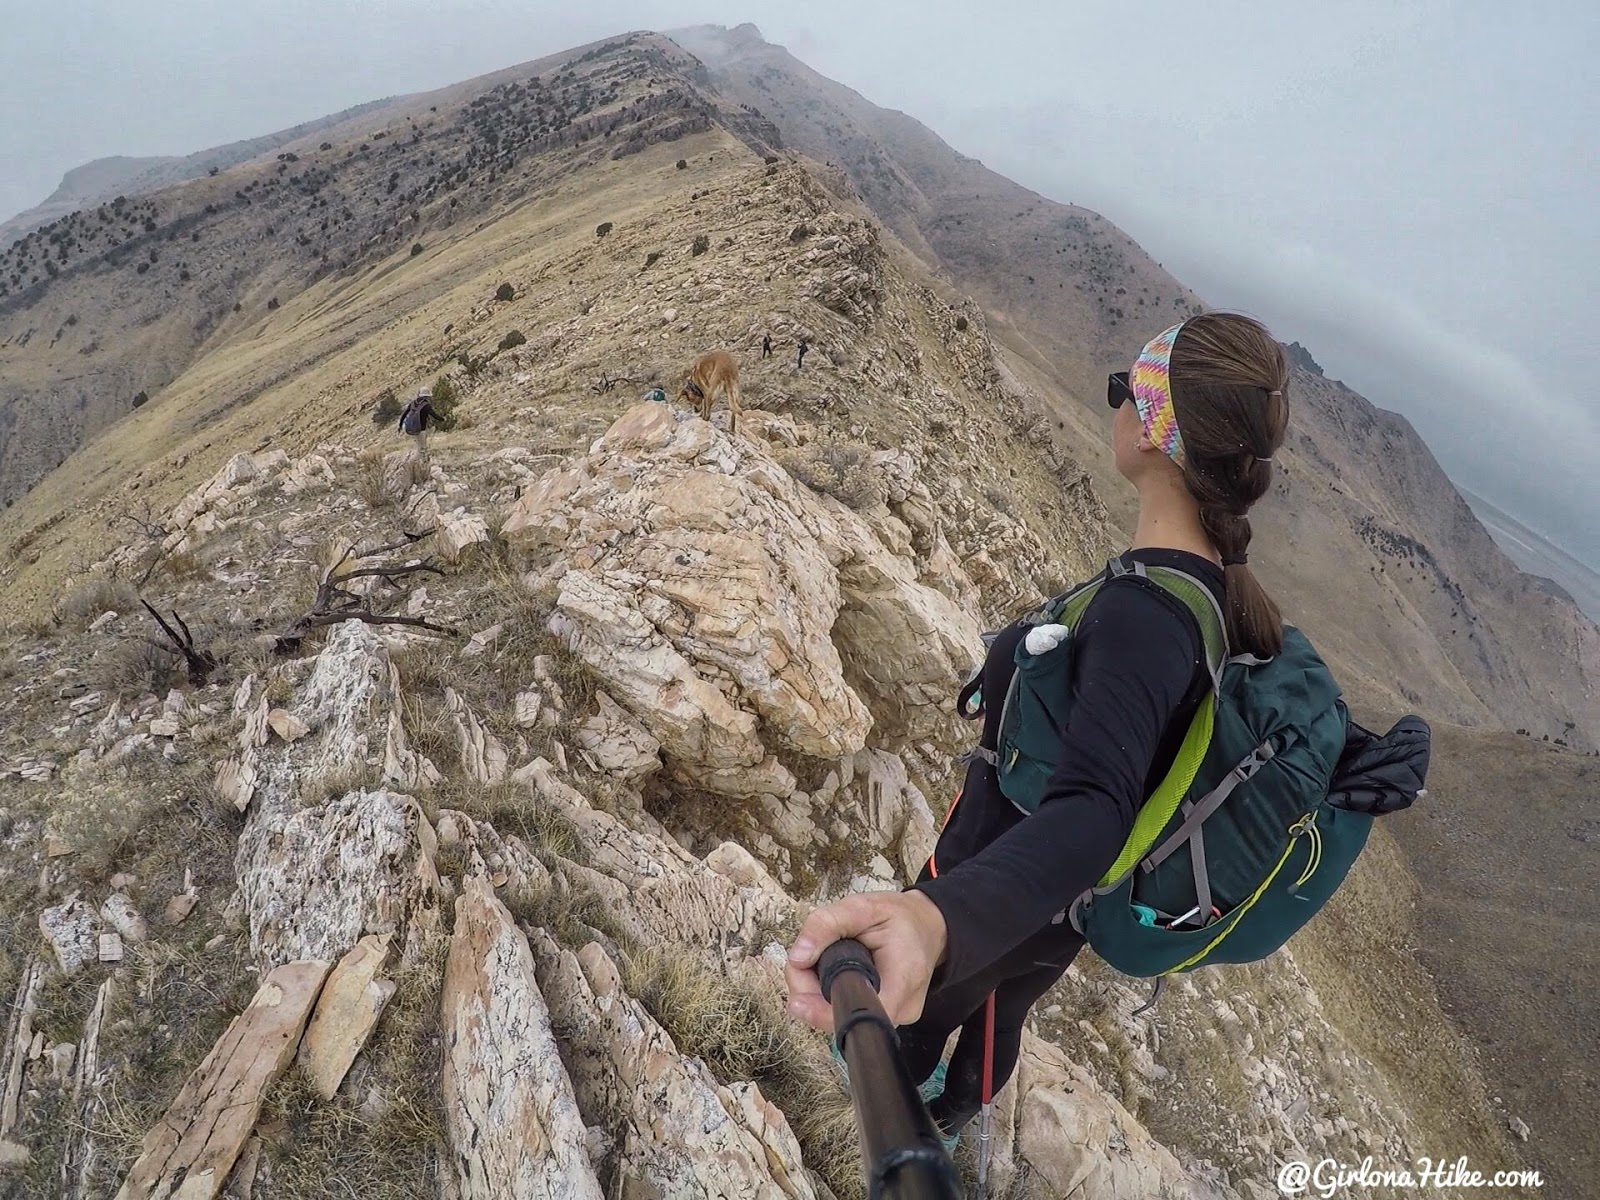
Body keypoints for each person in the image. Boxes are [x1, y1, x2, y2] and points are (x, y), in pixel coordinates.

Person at [785, 312, 1291, 1147]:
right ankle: (953, 1115)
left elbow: (1095, 806)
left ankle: (886, 1117)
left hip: (1006, 861)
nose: (1115, 403)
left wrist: (935, 918)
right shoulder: (1197, 592)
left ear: (1162, 433)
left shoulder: (1146, 613)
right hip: (1058, 898)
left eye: (1128, 388)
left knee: (934, 1007)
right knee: (1003, 1005)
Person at [398, 389, 440, 455]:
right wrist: (442, 419)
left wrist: (400, 425)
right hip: (421, 429)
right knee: (422, 448)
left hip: (412, 428)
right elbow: (433, 415)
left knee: (418, 445)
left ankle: (419, 461)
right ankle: (421, 462)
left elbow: (404, 413)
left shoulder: (412, 403)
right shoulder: (426, 405)